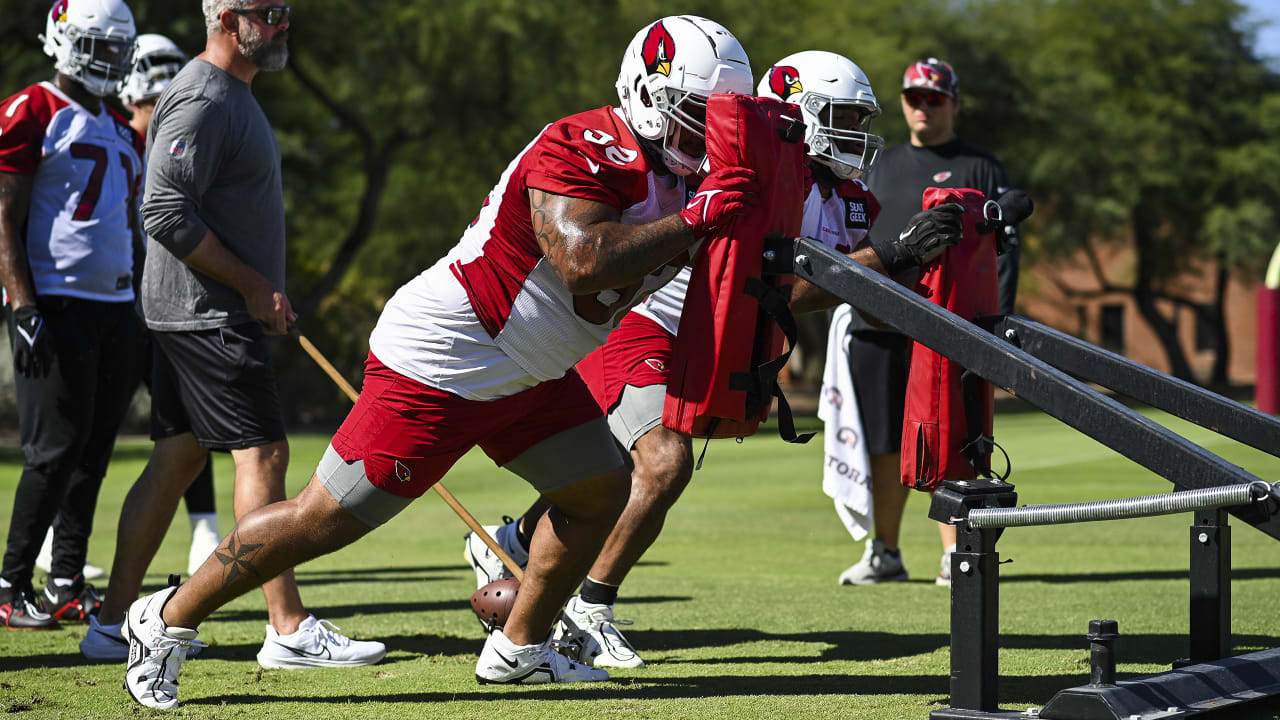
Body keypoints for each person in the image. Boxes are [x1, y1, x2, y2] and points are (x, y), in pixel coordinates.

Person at [120, 14, 767, 710]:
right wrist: (702, 217)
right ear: (645, 91)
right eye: (695, 115)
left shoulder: (690, 181)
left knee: (600, 490)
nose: (704, 137)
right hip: (447, 359)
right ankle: (164, 621)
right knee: (321, 521)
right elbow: (583, 263)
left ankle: (522, 649)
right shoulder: (582, 144)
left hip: (529, 369)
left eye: (722, 122)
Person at [463, 50, 963, 669]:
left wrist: (912, 259)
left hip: (710, 337)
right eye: (842, 117)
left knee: (615, 468)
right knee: (663, 462)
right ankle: (589, 608)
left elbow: (834, 290)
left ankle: (513, 540)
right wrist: (891, 254)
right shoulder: (740, 169)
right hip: (644, 322)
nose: (855, 135)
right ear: (799, 113)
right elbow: (786, 286)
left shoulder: (849, 197)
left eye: (861, 120)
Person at [82, 0, 386, 673]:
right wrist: (251, 285)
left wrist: (256, 285)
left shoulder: (231, 92)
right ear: (227, 17)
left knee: (176, 460)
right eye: (270, 12)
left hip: (196, 311)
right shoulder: (203, 98)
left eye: (287, 12)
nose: (284, 24)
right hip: (207, 315)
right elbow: (162, 209)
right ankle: (287, 626)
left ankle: (110, 626)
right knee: (265, 456)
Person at [837, 57, 1018, 587]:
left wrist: (995, 326)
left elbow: (1005, 250)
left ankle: (953, 552)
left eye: (935, 98)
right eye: (914, 97)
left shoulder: (980, 166)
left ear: (954, 103)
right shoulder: (881, 163)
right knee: (884, 445)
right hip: (878, 321)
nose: (923, 106)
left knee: (955, 440)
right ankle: (885, 551)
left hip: (952, 326)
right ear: (903, 102)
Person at [0, 0, 142, 630]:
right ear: (63, 39)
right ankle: (8, 584)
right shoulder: (32, 109)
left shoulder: (121, 127)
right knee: (53, 450)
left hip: (116, 305)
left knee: (92, 451)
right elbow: (2, 213)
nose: (109, 59)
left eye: (118, 48)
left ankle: (64, 581)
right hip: (56, 303)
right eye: (98, 46)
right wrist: (22, 302)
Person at [118, 32, 224, 578]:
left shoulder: (183, 131)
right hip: (121, 301)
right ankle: (59, 554)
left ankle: (205, 530)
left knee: (185, 438)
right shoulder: (116, 139)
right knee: (93, 436)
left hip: (164, 305)